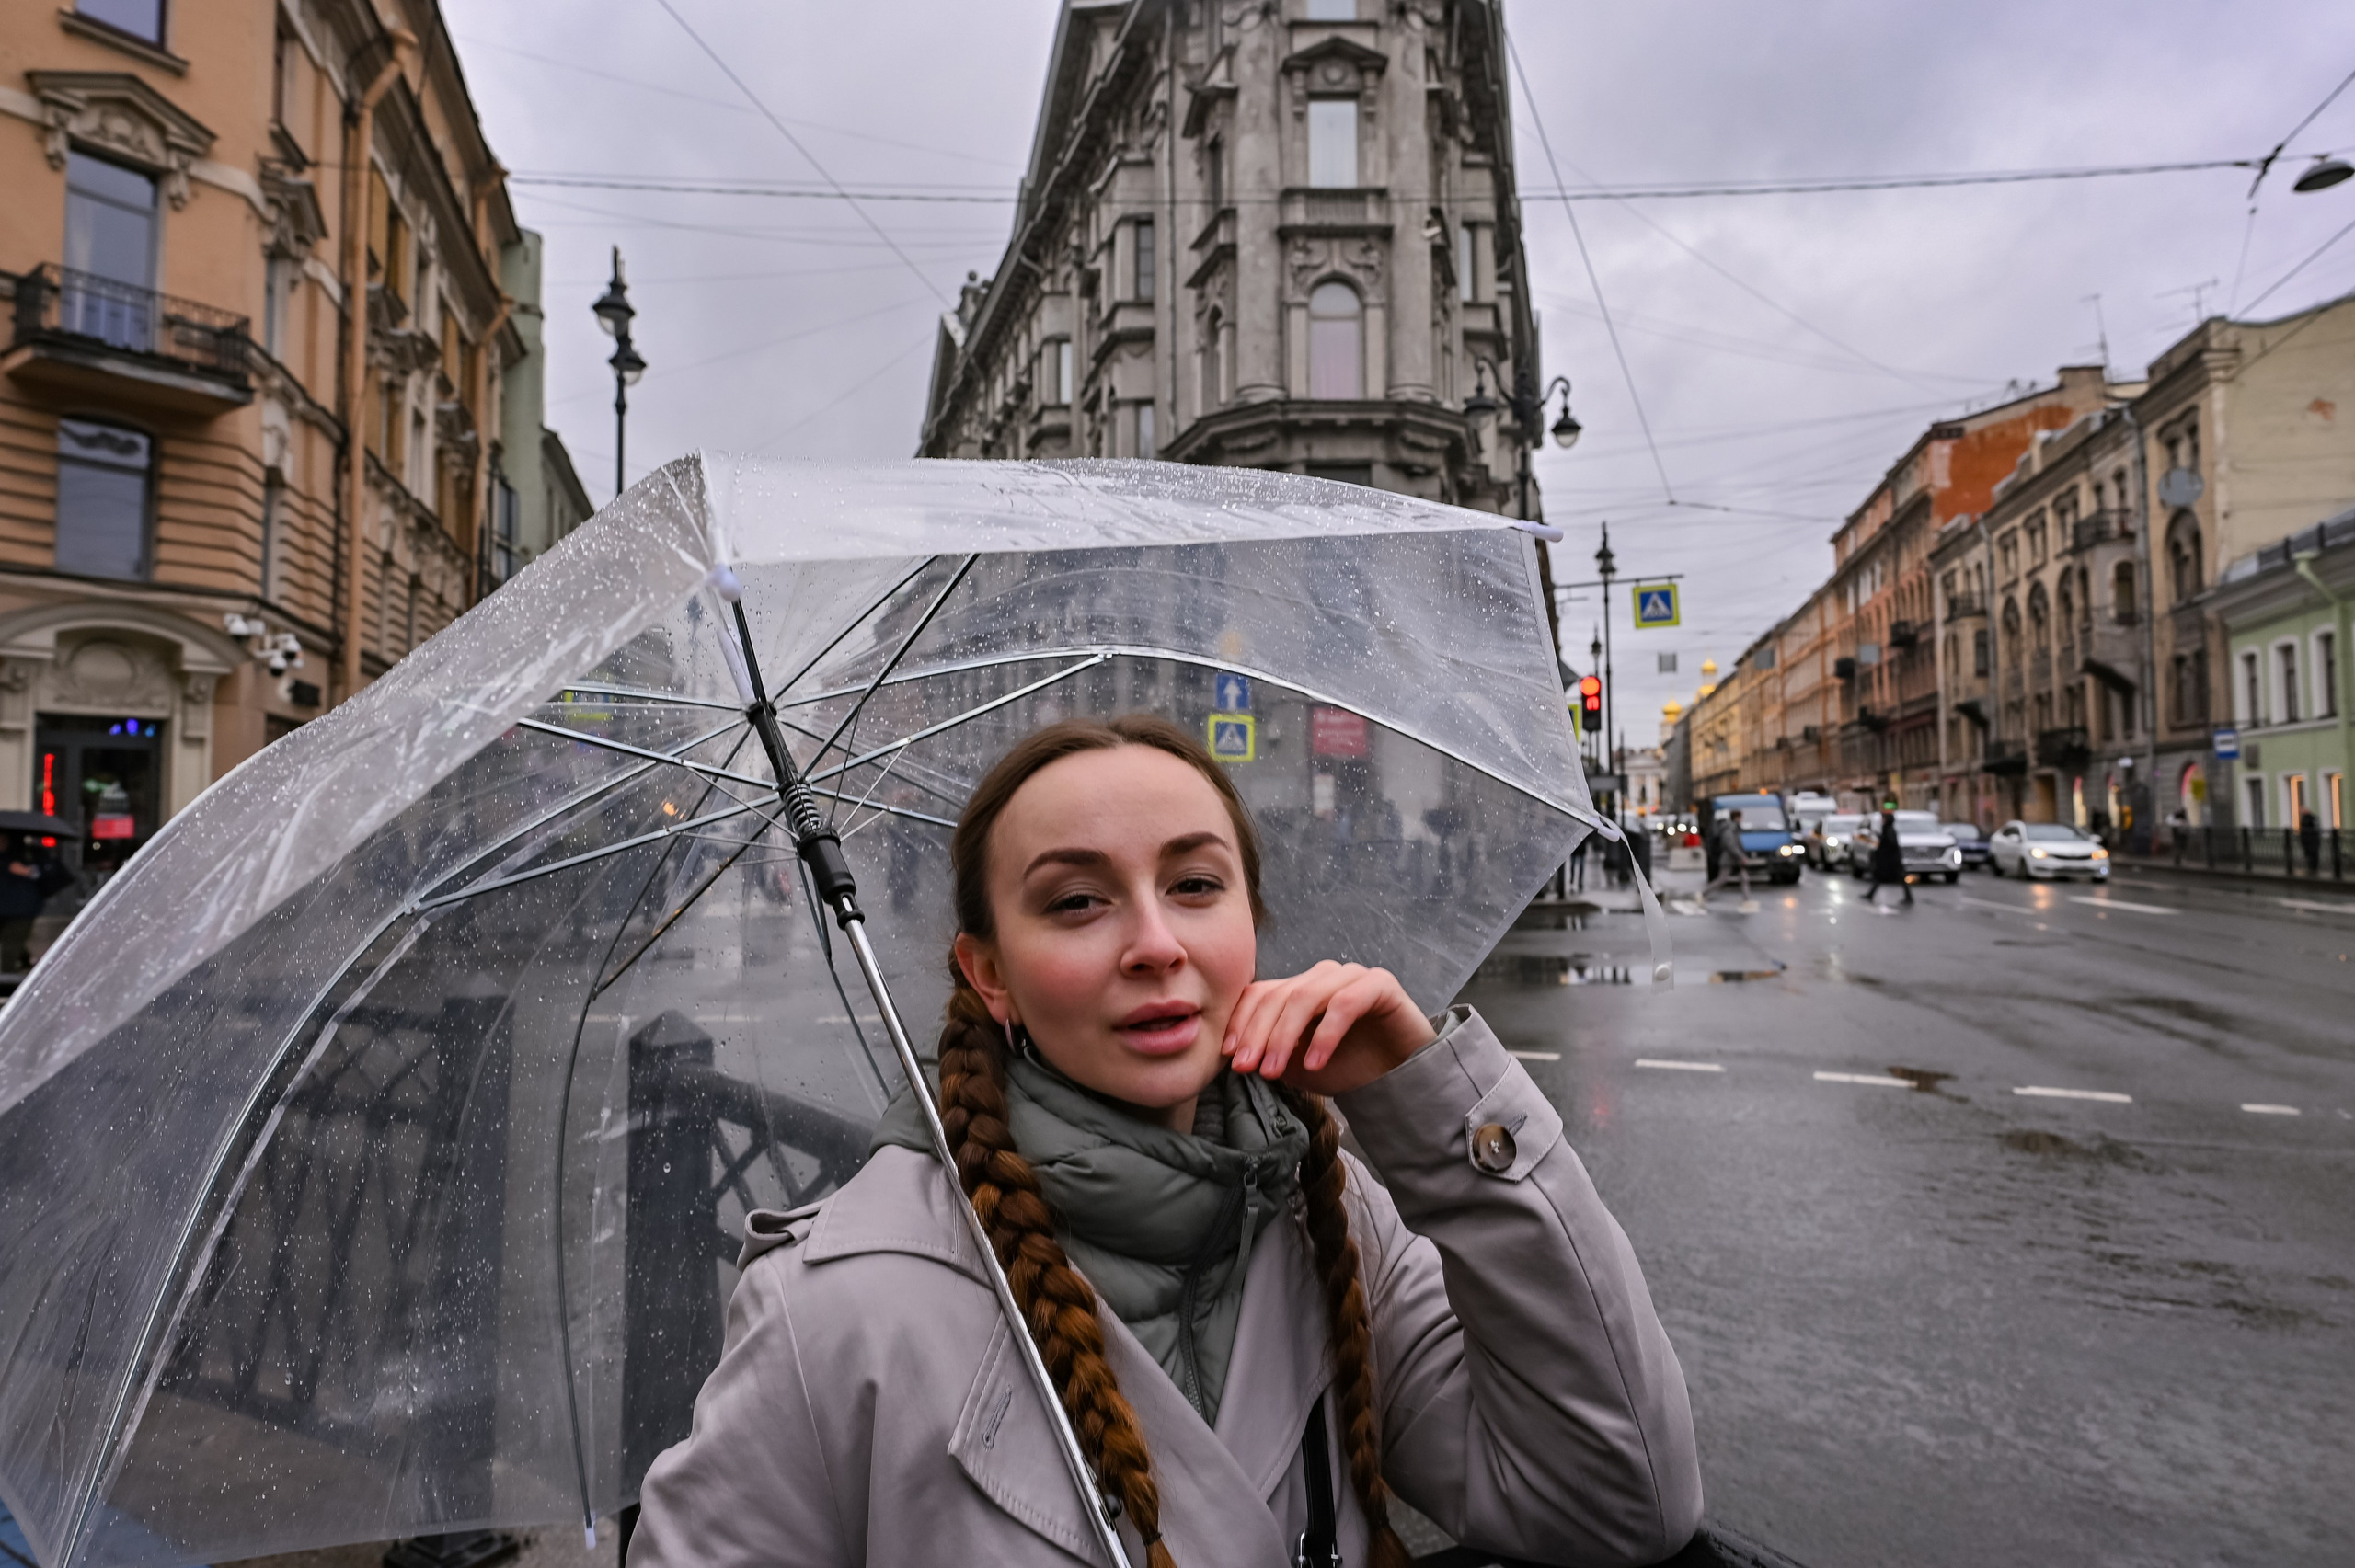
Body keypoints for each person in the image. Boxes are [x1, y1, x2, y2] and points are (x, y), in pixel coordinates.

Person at [630, 715, 1701, 1567]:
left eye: (1194, 884)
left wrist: (1433, 1114)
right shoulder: (832, 1309)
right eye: (1077, 900)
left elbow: (1615, 1500)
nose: (1154, 943)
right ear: (988, 973)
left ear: (1251, 922)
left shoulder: (1335, 1212)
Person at [1861, 807, 1912, 907]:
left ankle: (1909, 897)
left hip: (1890, 860)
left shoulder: (1889, 829)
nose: (1882, 820)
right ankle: (1870, 894)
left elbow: (1890, 843)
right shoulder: (1888, 829)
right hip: (1890, 859)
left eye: (1883, 818)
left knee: (1895, 877)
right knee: (1882, 877)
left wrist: (1881, 850)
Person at [1701, 808, 1749, 903]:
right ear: (1737, 818)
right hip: (1729, 859)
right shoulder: (1729, 829)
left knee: (1744, 878)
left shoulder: (1734, 828)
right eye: (1740, 817)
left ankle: (1747, 899)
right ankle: (1704, 893)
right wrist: (1741, 856)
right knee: (1722, 880)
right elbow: (1730, 844)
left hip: (1735, 860)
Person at [2299, 809, 2322, 876]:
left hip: (2310, 841)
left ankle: (2313, 868)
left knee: (2312, 855)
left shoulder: (2308, 820)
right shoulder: (2312, 819)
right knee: (2312, 855)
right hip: (2311, 841)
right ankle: (2312, 868)